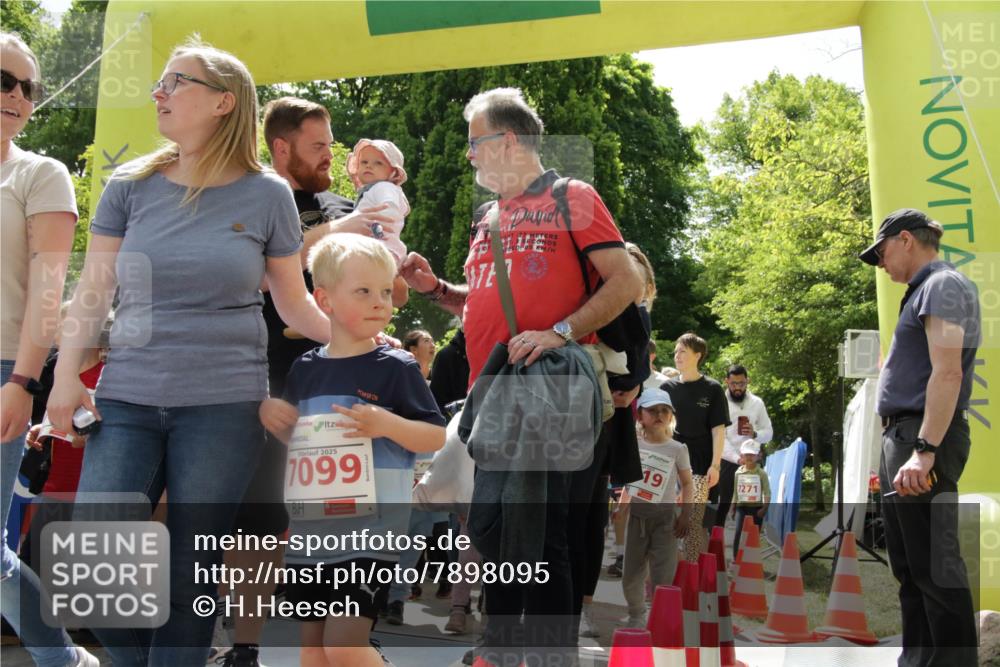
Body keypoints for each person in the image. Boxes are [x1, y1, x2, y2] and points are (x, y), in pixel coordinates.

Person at [46, 39, 335, 666]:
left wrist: (355, 339)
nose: (160, 92)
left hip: (226, 407)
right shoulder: (130, 187)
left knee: (190, 571)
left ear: (224, 102)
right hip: (125, 399)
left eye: (177, 81)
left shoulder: (268, 196)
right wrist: (64, 379)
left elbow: (293, 305)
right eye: (161, 81)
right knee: (95, 570)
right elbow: (92, 291)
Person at [400, 87, 641, 666]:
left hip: (551, 388)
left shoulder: (572, 197)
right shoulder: (488, 216)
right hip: (495, 394)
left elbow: (626, 282)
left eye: (474, 143)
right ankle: (503, 647)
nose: (469, 156)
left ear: (507, 141)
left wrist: (561, 329)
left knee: (543, 529)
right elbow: (482, 303)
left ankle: (547, 652)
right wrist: (435, 290)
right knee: (495, 527)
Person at [208, 96, 396, 667]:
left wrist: (392, 267)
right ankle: (245, 646)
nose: (331, 156)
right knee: (256, 525)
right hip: (261, 381)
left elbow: (386, 290)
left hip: (339, 385)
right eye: (318, 146)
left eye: (332, 144)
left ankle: (349, 641)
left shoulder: (346, 202)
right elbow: (256, 274)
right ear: (281, 147)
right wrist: (334, 233)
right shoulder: (251, 199)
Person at [259, 234, 445, 667]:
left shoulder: (396, 368)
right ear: (323, 299)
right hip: (310, 535)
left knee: (344, 647)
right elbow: (302, 442)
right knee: (312, 652)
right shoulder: (305, 369)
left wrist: (387, 423)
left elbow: (434, 437)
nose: (380, 302)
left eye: (385, 291)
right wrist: (275, 418)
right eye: (363, 291)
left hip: (369, 534)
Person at [0, 31, 99, 667]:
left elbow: (48, 289)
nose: (15, 95)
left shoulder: (40, 174)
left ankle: (62, 656)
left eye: (25, 86)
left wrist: (24, 381)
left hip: (7, 369)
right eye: (1, 80)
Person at [859, 207, 980, 666]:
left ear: (906, 239)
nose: (881, 263)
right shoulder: (922, 292)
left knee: (936, 568)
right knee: (910, 568)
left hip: (921, 440)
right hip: (905, 438)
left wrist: (924, 450)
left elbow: (947, 373)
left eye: (882, 252)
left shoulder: (941, 285)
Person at [618, 388, 692, 627]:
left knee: (663, 574)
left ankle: (659, 619)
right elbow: (630, 481)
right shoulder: (633, 446)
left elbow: (688, 483)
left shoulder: (677, 449)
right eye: (652, 410)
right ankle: (636, 614)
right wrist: (622, 508)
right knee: (631, 575)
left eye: (664, 410)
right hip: (638, 518)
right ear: (640, 416)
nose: (659, 415)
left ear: (671, 416)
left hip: (666, 519)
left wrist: (686, 515)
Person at [660, 332, 729, 562]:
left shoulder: (713, 389)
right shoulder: (666, 388)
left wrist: (716, 465)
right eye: (676, 351)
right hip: (669, 463)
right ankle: (664, 574)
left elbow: (719, 430)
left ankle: (691, 574)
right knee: (665, 519)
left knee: (693, 521)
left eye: (683, 351)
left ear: (697, 356)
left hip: (700, 464)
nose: (677, 355)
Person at [713, 364, 773, 529]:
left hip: (752, 462)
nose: (738, 388)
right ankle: (715, 542)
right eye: (733, 384)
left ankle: (750, 544)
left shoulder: (757, 403)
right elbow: (718, 436)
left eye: (741, 383)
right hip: (727, 461)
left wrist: (755, 434)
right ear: (727, 382)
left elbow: (769, 432)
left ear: (747, 381)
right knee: (723, 504)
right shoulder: (720, 402)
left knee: (752, 505)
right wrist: (736, 458)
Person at [346, 138, 409, 267]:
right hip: (375, 249)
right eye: (364, 162)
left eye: (378, 163)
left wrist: (376, 229)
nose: (369, 166)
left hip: (380, 248)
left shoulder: (384, 187)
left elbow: (389, 210)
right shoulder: (373, 190)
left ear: (393, 172)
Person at [728, 439, 770, 562]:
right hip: (742, 508)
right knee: (739, 532)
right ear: (742, 455)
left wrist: (765, 508)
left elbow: (767, 492)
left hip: (757, 508)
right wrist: (733, 507)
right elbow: (736, 492)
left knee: (754, 534)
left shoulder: (762, 473)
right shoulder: (738, 473)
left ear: (758, 456)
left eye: (752, 454)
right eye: (747, 454)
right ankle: (736, 558)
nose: (749, 457)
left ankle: (752, 560)